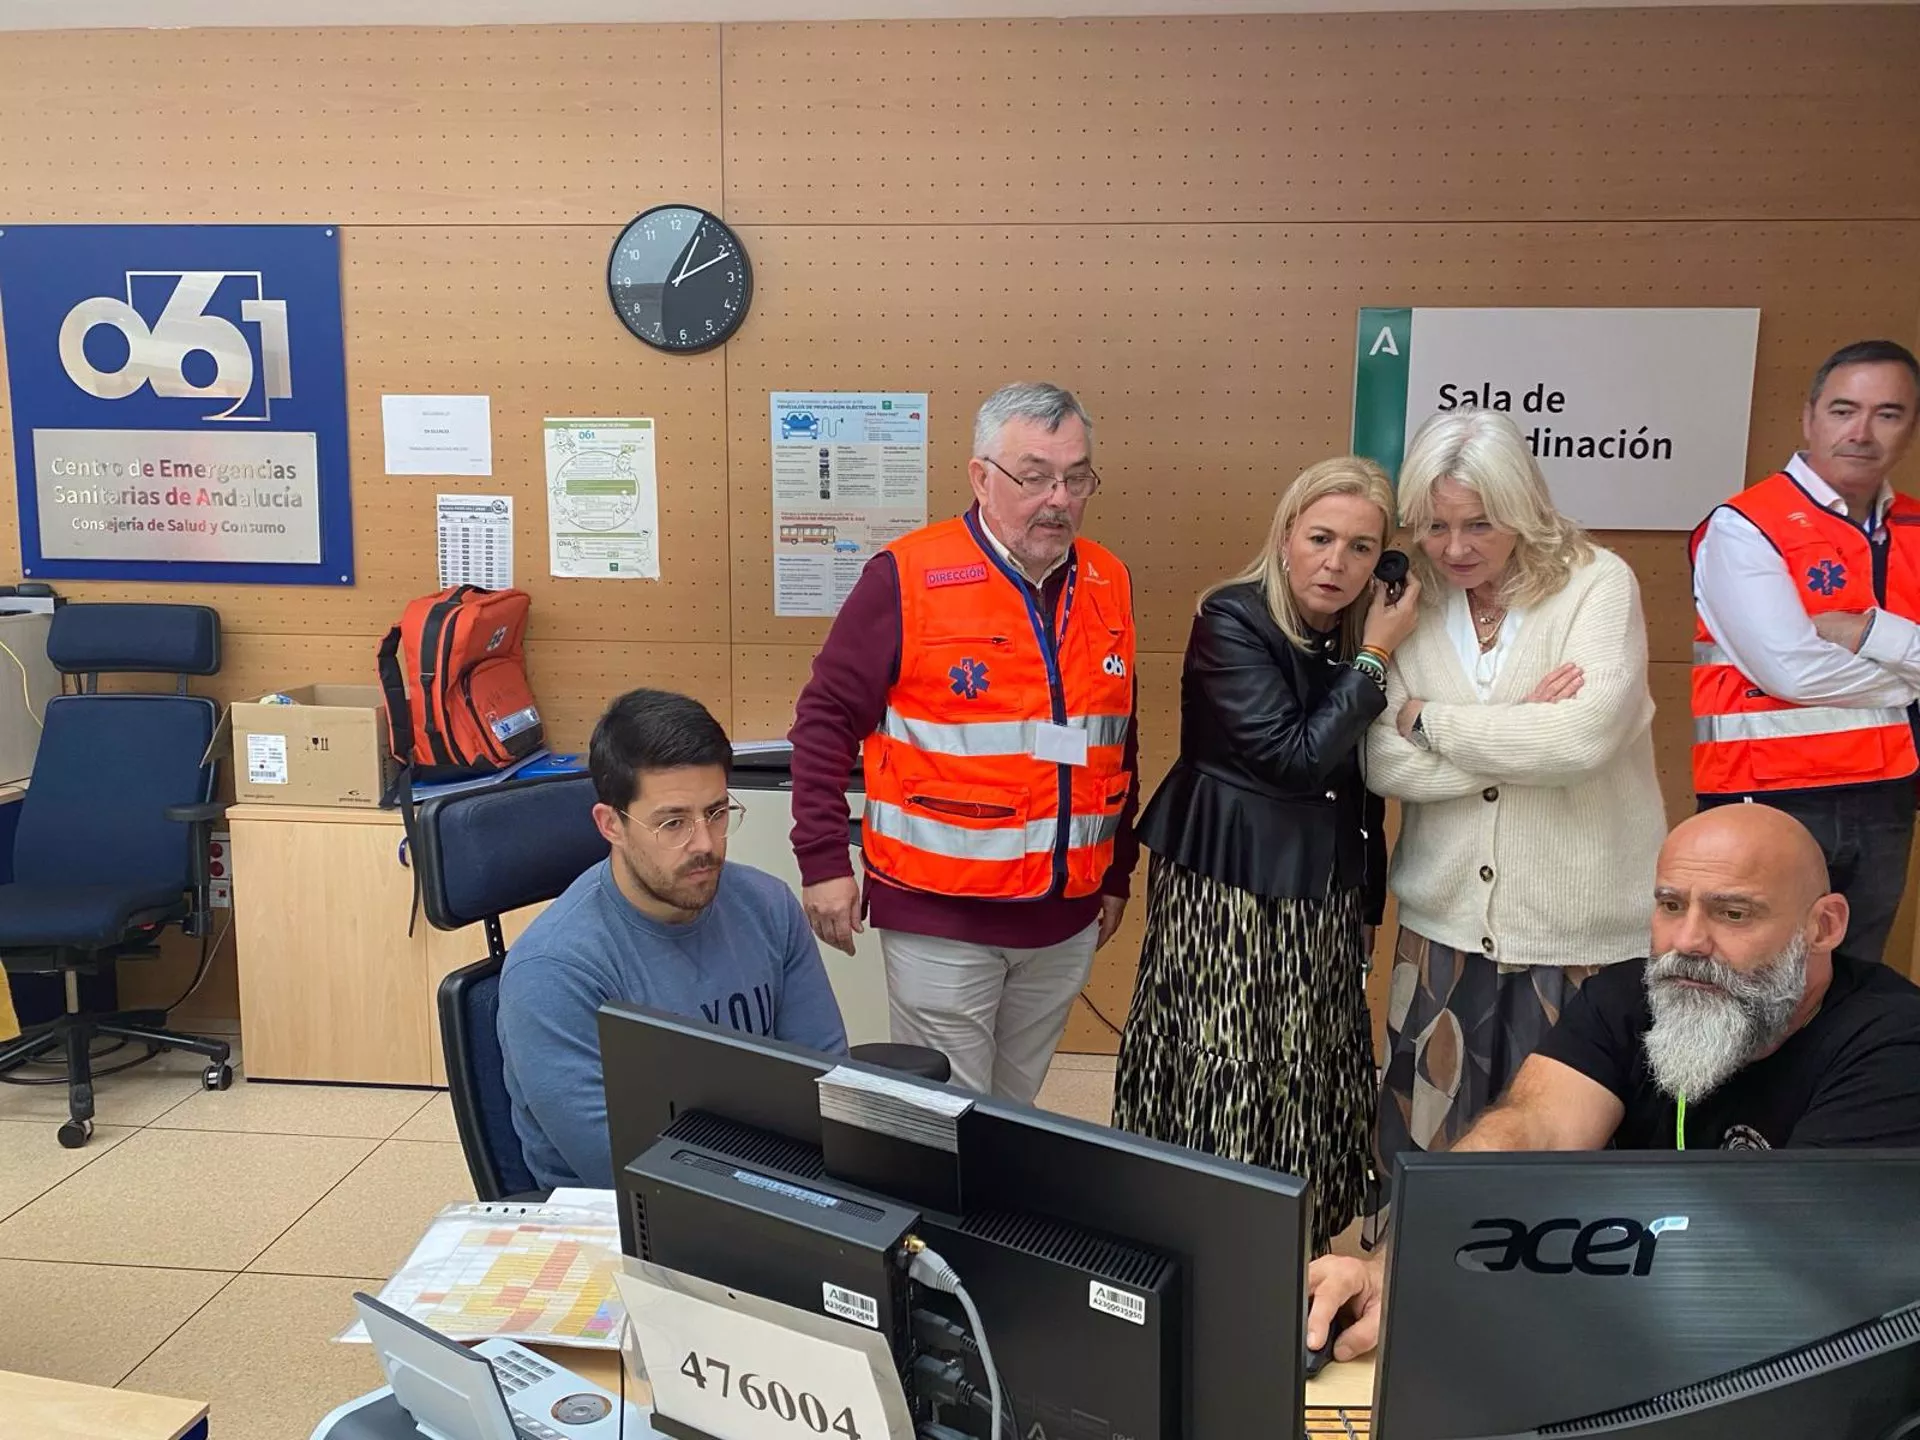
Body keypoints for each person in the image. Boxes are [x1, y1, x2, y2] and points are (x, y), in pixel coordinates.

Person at [1305, 803, 1920, 1364]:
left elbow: (1789, 1266)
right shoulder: (1629, 996)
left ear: (1825, 925)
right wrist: (1405, 1262)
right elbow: (1531, 1131)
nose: (1687, 943)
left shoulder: (1894, 1042)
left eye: (1733, 913)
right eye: (1671, 905)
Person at [788, 382, 1140, 1102]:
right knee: (947, 1116)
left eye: (1077, 477)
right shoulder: (906, 577)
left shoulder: (1108, 580)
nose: (1060, 499)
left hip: (1064, 915)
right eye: (1035, 476)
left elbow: (1118, 736)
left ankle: (992, 1218)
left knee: (1015, 1112)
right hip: (941, 914)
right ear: (981, 476)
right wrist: (823, 860)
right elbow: (823, 721)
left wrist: (1115, 872)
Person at [1110, 456, 1422, 1253]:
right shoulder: (1232, 618)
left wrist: (1365, 905)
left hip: (1320, 894)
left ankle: (1300, 1250)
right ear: (1286, 537)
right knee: (1231, 1065)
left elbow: (1359, 790)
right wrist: (1378, 656)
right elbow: (1292, 758)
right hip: (1234, 885)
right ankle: (1216, 1243)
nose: (1337, 563)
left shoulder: (1350, 637)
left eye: (1361, 548)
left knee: (1311, 1064)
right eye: (1321, 538)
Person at [1367, 407, 1665, 1166]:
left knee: (1563, 1165)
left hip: (1583, 940)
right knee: (1432, 1154)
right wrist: (1518, 722)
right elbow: (1380, 764)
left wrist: (1428, 717)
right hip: (1443, 932)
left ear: (1524, 508)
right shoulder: (1410, 602)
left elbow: (1582, 738)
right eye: (1434, 527)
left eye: (1479, 524)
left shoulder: (1598, 584)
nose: (1455, 548)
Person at [498, 689, 848, 1189]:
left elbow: (826, 1086)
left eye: (716, 813)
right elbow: (624, 1168)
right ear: (611, 825)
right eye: (673, 823)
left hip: (771, 1188)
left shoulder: (769, 907)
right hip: (619, 1220)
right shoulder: (553, 970)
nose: (705, 844)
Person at [1691, 339, 1920, 968]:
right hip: (1768, 795)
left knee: (1853, 983)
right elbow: (1789, 667)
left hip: (1886, 796)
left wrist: (1869, 634)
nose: (1863, 432)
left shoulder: (1917, 531)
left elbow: (1822, 660)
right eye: (1845, 410)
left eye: (1889, 414)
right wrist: (1910, 678)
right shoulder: (1747, 525)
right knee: (1750, 983)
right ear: (1809, 417)